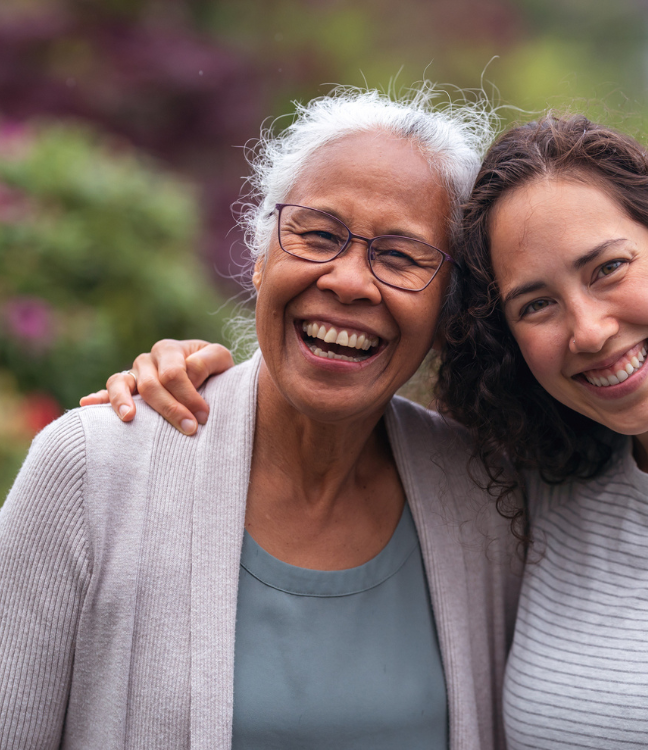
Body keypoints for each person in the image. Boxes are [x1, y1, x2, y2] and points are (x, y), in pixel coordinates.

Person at [91, 115, 648, 748]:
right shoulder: (547, 478)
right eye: (536, 305)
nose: (588, 330)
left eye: (610, 269)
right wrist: (192, 371)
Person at [0, 87, 521, 750]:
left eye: (399, 256)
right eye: (319, 234)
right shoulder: (90, 472)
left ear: (449, 308)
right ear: (261, 256)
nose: (349, 281)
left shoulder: (490, 502)